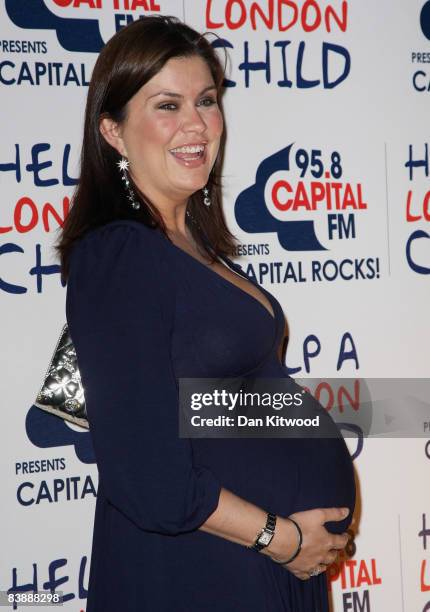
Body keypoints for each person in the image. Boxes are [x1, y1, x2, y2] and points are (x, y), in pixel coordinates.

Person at [56, 15, 355, 612]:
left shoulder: (194, 245)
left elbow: (217, 404)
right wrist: (282, 537)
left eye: (207, 101)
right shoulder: (120, 254)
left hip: (257, 567)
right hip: (202, 572)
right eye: (167, 105)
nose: (196, 124)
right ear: (113, 131)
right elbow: (146, 476)